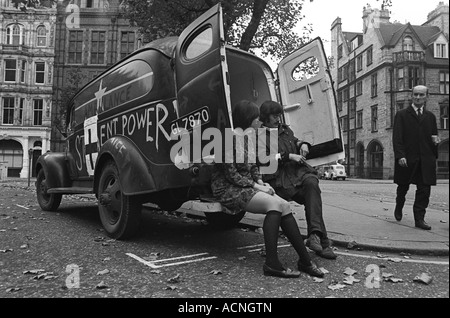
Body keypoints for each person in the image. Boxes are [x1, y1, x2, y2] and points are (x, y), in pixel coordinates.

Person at [211, 100, 324, 278]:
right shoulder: (226, 139)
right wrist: (256, 186)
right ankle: (272, 264)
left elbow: (254, 166)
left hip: (246, 184)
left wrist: (261, 182)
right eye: (257, 119)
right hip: (228, 189)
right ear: (248, 119)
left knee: (284, 206)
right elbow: (230, 174)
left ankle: (305, 261)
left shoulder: (248, 138)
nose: (260, 122)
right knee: (274, 206)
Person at [259, 100, 336, 259]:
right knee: (312, 199)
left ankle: (314, 235)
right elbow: (263, 159)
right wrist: (288, 156)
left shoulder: (285, 130)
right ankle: (324, 242)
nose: (278, 118)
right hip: (278, 180)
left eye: (279, 115)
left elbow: (294, 141)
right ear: (265, 117)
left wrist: (303, 144)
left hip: (295, 176)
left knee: (312, 183)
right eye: (274, 116)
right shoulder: (259, 135)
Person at [393, 85, 439, 230]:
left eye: (421, 95)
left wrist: (434, 150)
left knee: (424, 190)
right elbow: (397, 138)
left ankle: (419, 219)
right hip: (407, 159)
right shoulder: (401, 115)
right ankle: (399, 205)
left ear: (427, 97)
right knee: (403, 187)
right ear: (411, 96)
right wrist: (400, 155)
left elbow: (434, 137)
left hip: (425, 160)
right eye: (416, 95)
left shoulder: (430, 117)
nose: (418, 97)